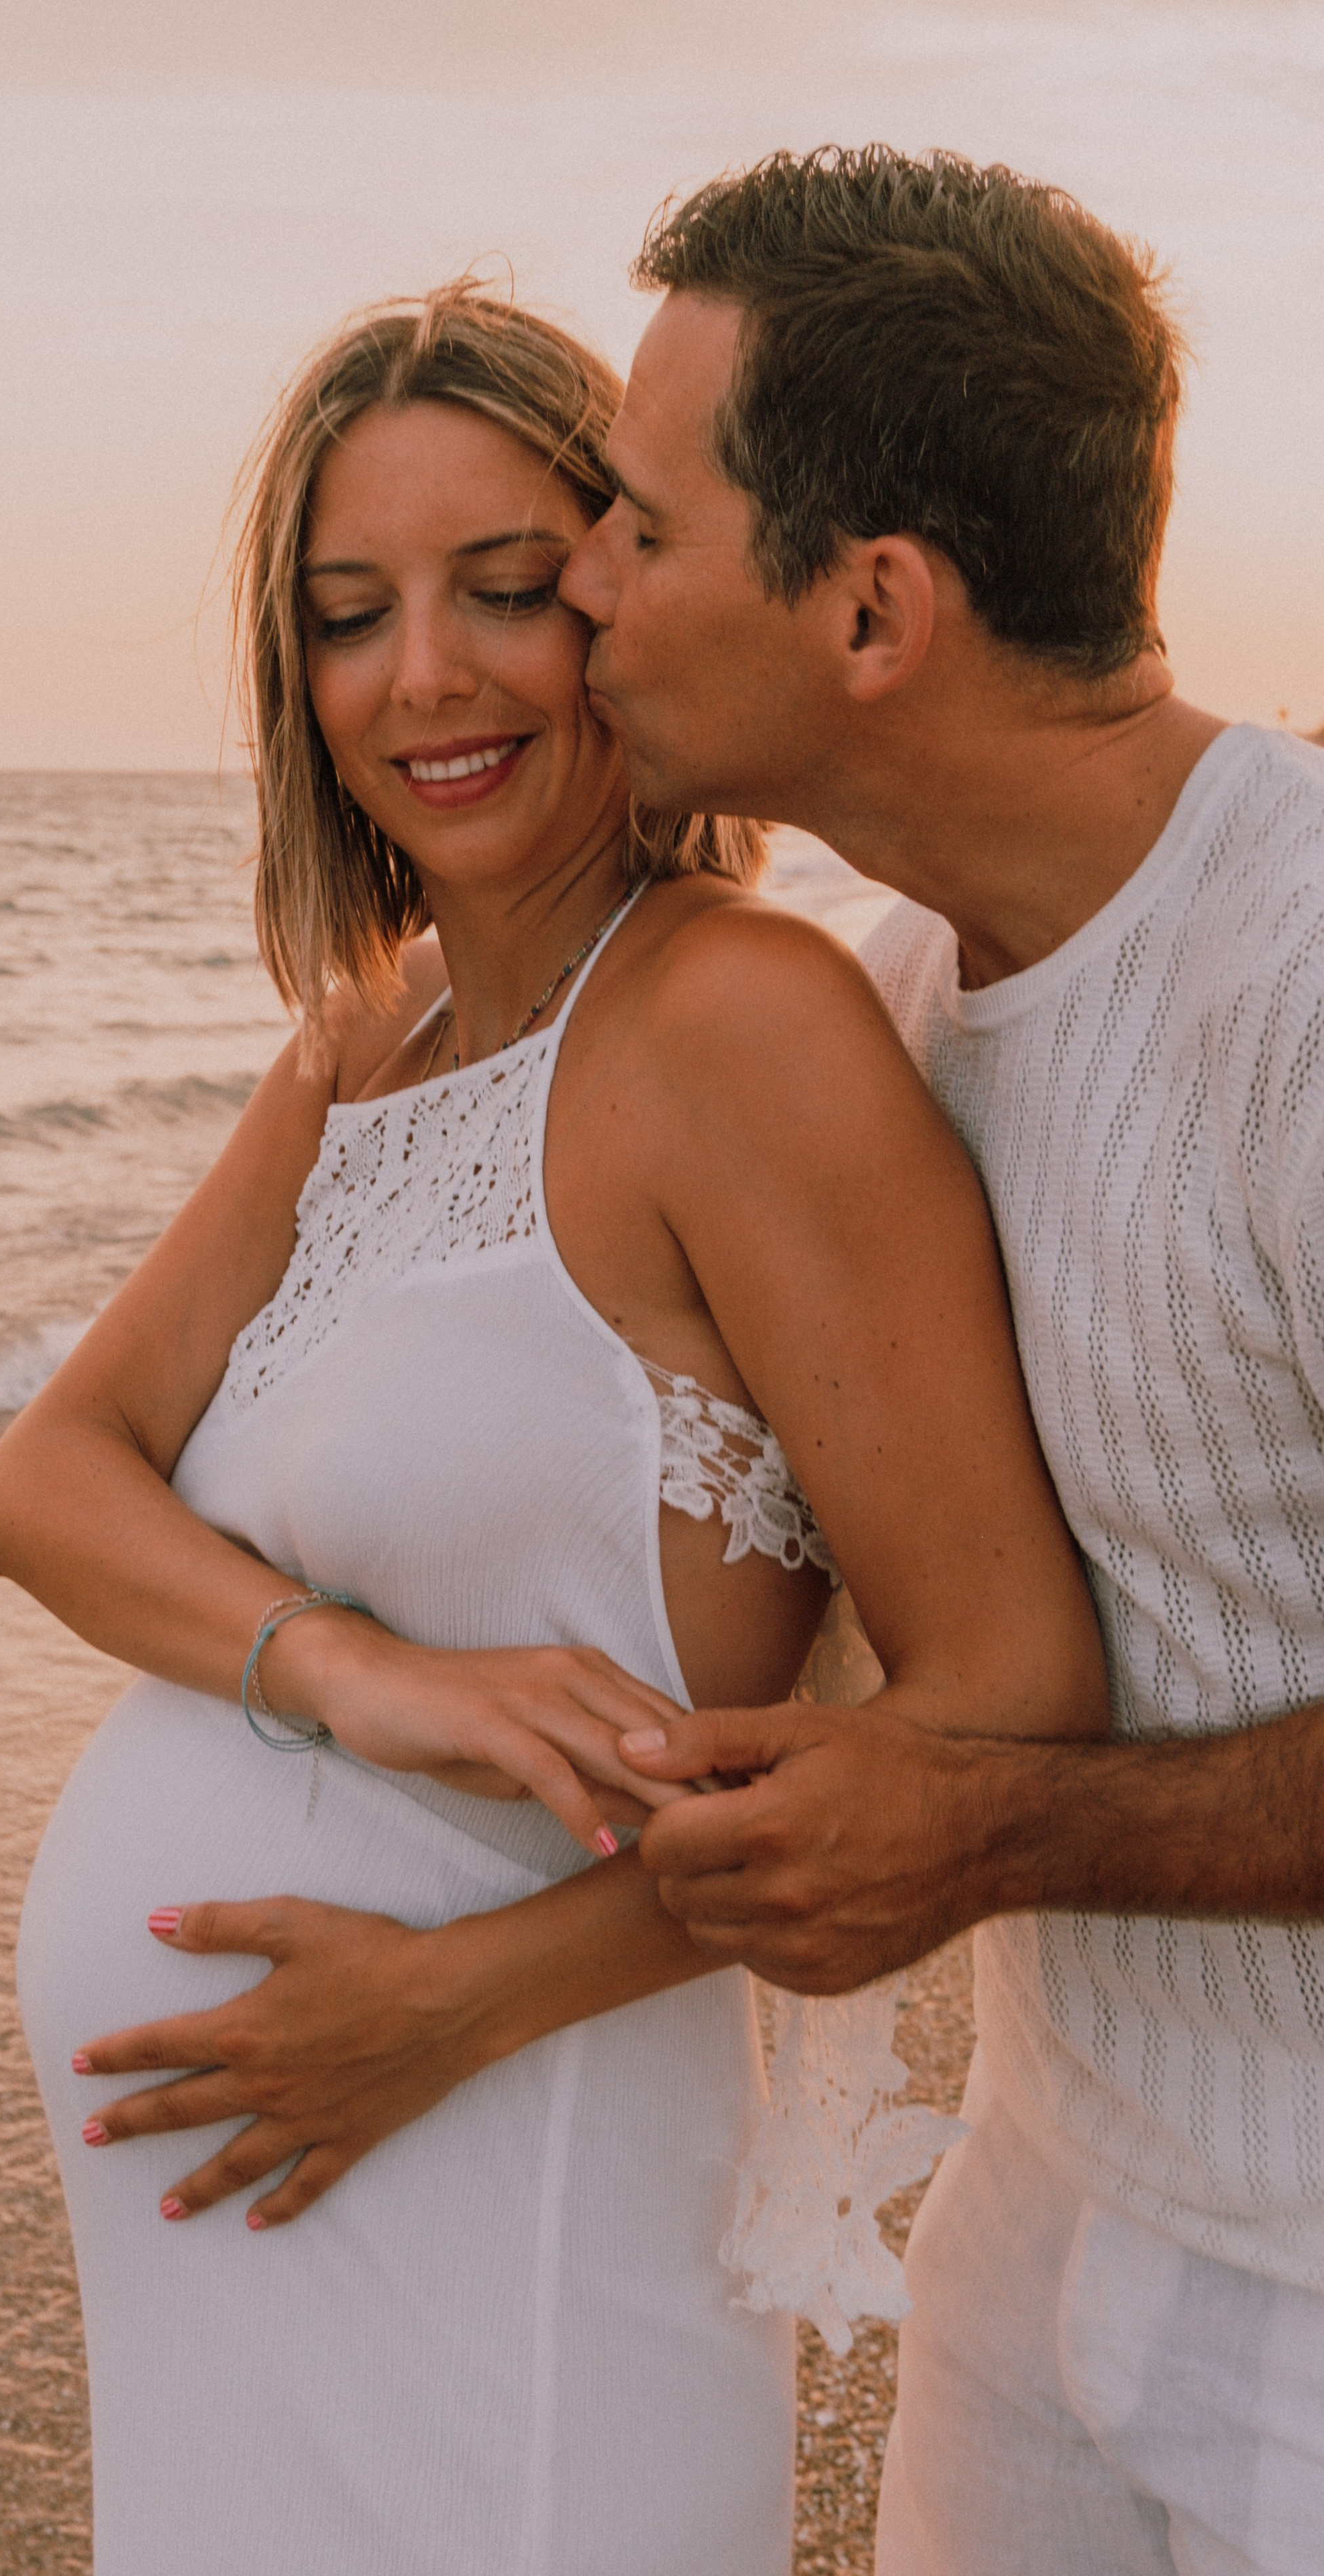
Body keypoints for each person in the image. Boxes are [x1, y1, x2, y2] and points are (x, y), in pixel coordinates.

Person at [0, 282, 1105, 2575]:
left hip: (512, 2215)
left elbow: (1009, 1697)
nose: (428, 677)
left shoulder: (736, 1024)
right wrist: (359, 1671)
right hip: (254, 2274)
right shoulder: (364, 1043)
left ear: (623, 603)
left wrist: (449, 2007)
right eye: (349, 613)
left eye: (505, 589)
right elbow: (42, 1489)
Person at [567, 150, 1324, 2576]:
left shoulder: (1300, 991)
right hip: (1038, 2211)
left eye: (642, 526)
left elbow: (980, 1794)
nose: (586, 582)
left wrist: (1000, 1834)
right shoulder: (889, 1012)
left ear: (874, 607)